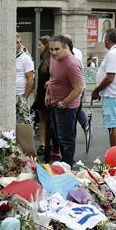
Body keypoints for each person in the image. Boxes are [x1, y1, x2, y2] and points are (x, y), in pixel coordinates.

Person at [45, 35, 83, 165]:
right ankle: (63, 162)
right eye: (51, 49)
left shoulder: (71, 64)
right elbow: (53, 78)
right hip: (55, 102)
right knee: (57, 134)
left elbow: (79, 88)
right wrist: (48, 93)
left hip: (66, 106)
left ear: (65, 47)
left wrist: (64, 103)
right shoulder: (53, 58)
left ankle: (67, 165)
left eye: (57, 49)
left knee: (66, 138)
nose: (53, 52)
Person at [91, 28, 116, 147]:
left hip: (112, 94)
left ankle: (114, 152)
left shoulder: (113, 53)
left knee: (112, 125)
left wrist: (97, 90)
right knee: (112, 125)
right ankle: (114, 151)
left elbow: (110, 77)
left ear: (107, 39)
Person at [15, 36, 36, 156]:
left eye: (20, 42)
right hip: (11, 95)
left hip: (20, 95)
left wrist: (24, 97)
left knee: (23, 124)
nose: (19, 45)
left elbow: (30, 79)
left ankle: (27, 151)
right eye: (16, 42)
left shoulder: (25, 58)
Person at [32, 36, 52, 157]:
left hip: (47, 94)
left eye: (40, 44)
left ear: (46, 46)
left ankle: (48, 144)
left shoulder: (51, 60)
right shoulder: (43, 60)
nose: (38, 47)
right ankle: (43, 144)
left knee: (48, 120)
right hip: (41, 94)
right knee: (42, 119)